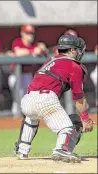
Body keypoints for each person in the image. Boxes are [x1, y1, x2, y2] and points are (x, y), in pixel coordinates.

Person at [14, 34, 94, 163]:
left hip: (27, 99)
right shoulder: (74, 66)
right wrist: (85, 119)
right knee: (71, 126)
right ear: (72, 50)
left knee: (31, 116)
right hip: (47, 99)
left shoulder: (50, 61)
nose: (79, 52)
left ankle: (22, 149)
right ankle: (62, 149)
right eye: (78, 49)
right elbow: (78, 98)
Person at [9, 24, 48, 115]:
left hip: (28, 75)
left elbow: (44, 50)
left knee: (29, 100)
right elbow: (18, 52)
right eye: (27, 33)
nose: (30, 36)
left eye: (31, 33)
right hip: (16, 75)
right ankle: (15, 120)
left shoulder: (35, 44)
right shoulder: (17, 42)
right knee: (18, 101)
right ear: (22, 33)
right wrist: (33, 51)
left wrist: (42, 49)